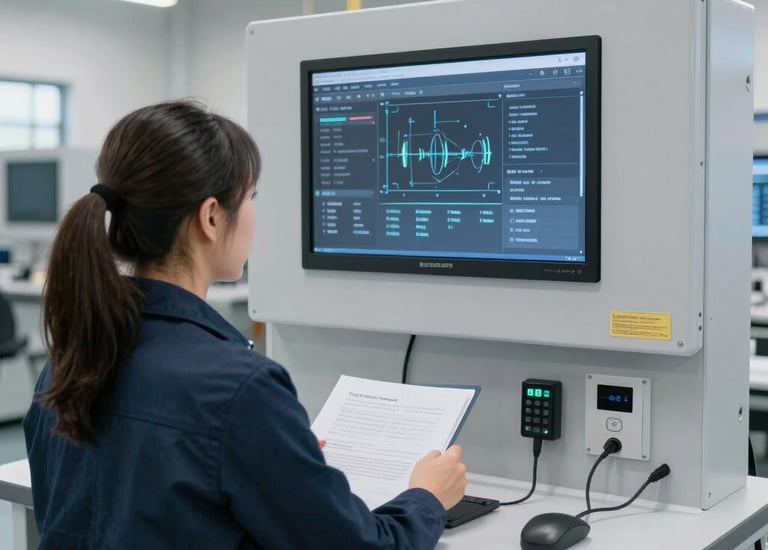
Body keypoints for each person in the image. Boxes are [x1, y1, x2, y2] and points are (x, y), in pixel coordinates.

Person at [22, 100, 467, 549]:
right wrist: (427, 496)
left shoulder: (70, 360)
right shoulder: (239, 388)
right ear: (211, 217)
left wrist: (280, 464)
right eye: (251, 197)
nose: (254, 214)